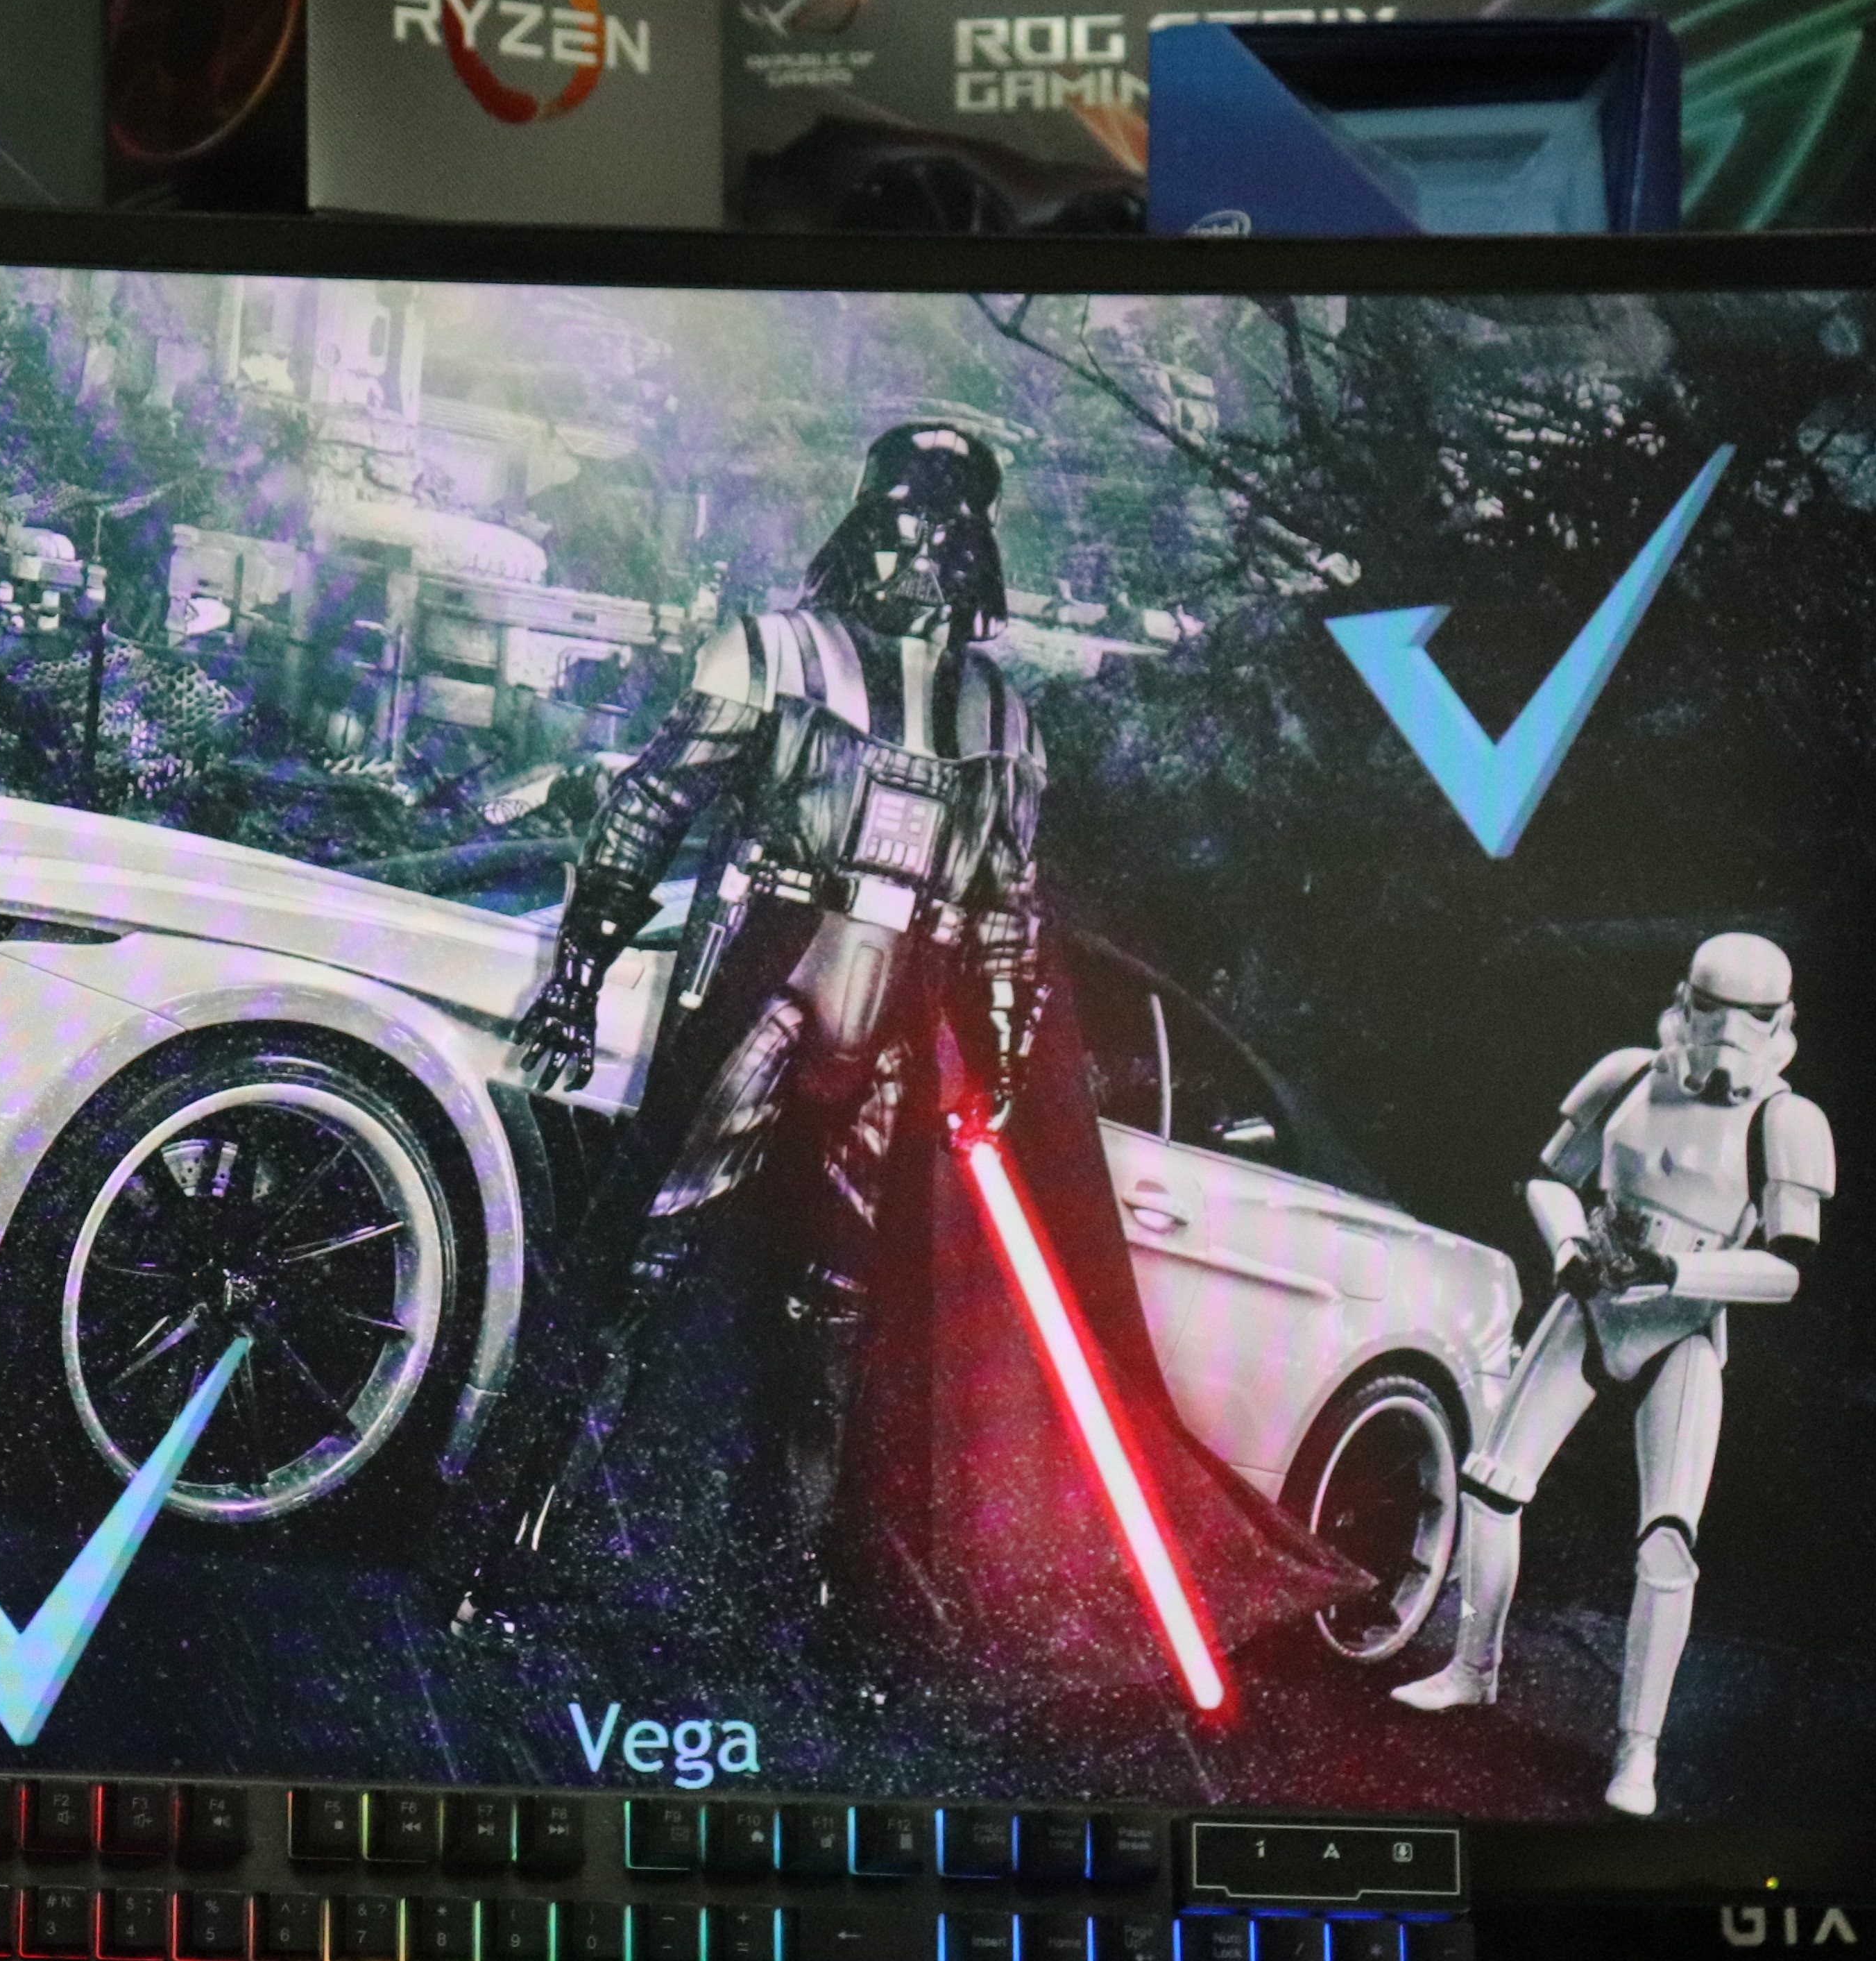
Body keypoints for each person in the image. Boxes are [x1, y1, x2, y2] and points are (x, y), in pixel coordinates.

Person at [441, 422, 1350, 1703]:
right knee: (643, 1266)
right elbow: (650, 803)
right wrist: (581, 970)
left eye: (948, 518)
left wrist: (1004, 1059)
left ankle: (795, 1596)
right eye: (901, 512)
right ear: (863, 518)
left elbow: (1005, 904)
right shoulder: (772, 652)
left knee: (841, 1322)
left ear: (979, 540)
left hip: (900, 1014)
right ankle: (507, 1551)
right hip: (776, 973)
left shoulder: (1003, 717)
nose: (920, 544)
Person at [1390, 933, 1829, 1815]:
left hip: (1682, 1329)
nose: (1725, 1034)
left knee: (1667, 1541)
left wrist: (1676, 1273)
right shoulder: (1628, 1076)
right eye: (1712, 1010)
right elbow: (1547, 1177)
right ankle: (1473, 1667)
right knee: (1491, 1486)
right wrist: (1569, 1246)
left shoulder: (1785, 1121)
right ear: (1684, 1000)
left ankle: (1639, 1749)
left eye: (1748, 1017)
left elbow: (1788, 1267)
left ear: (1781, 1021)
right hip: (1590, 1300)